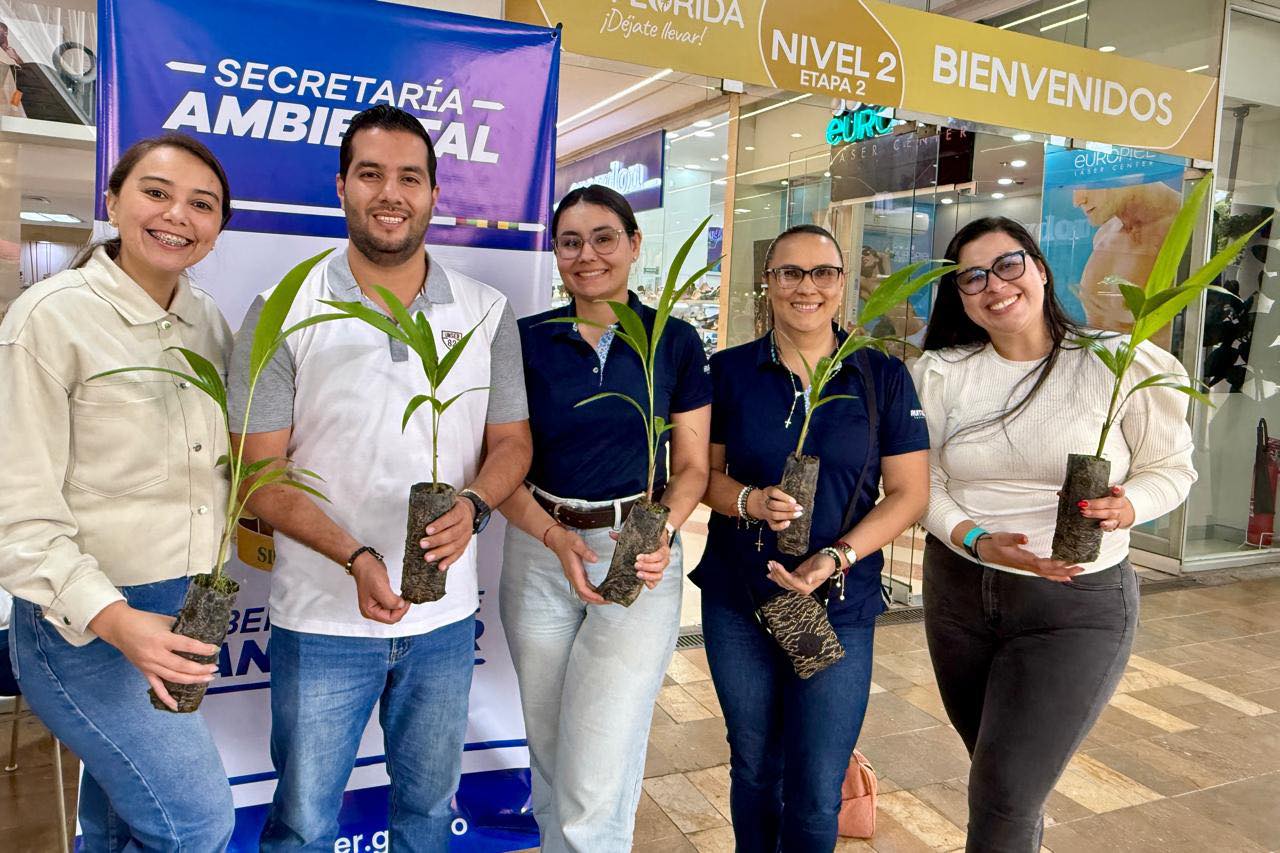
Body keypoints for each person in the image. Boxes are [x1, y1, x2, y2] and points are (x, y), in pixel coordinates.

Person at [229, 105, 532, 851]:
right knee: (302, 822)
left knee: (428, 814)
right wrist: (355, 556)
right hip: (321, 620)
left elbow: (512, 444)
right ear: (341, 187)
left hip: (445, 620)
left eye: (409, 177)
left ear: (433, 194)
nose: (390, 193)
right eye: (371, 174)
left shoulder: (486, 311)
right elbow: (256, 475)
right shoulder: (283, 308)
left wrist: (475, 504)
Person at [912, 216, 1197, 853]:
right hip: (958, 593)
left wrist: (1130, 507)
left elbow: (1171, 468)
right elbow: (919, 481)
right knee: (1002, 780)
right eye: (972, 277)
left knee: (1005, 793)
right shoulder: (941, 373)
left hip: (1074, 604)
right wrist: (974, 537)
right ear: (960, 296)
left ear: (1040, 269)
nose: (994, 285)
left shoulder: (1118, 361)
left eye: (1008, 265)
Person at [0, 133, 236, 850]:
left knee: (119, 820)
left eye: (202, 204)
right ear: (113, 201)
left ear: (218, 226)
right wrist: (119, 621)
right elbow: (17, 517)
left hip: (186, 608)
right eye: (156, 193)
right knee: (195, 823)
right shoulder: (50, 319)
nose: (177, 215)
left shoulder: (207, 319)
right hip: (88, 624)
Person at [695, 224, 930, 852]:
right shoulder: (730, 371)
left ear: (842, 283)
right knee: (754, 766)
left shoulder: (880, 375)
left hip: (838, 604)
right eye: (790, 273)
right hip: (741, 598)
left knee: (817, 784)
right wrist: (749, 501)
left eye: (823, 273)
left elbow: (909, 493)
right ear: (767, 282)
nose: (807, 287)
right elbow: (698, 476)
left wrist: (836, 555)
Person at [498, 184, 711, 852]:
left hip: (635, 550)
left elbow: (693, 466)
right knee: (550, 749)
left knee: (598, 760)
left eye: (603, 238)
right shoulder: (527, 339)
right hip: (540, 550)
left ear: (634, 244)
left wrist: (660, 531)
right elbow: (500, 463)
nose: (586, 254)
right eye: (570, 242)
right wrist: (552, 535)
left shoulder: (674, 341)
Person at [1073, 181, 1181, 348]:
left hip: (1148, 364)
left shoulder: (1184, 224)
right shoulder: (1105, 234)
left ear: (1132, 174)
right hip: (1094, 362)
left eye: (1090, 182)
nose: (1077, 200)